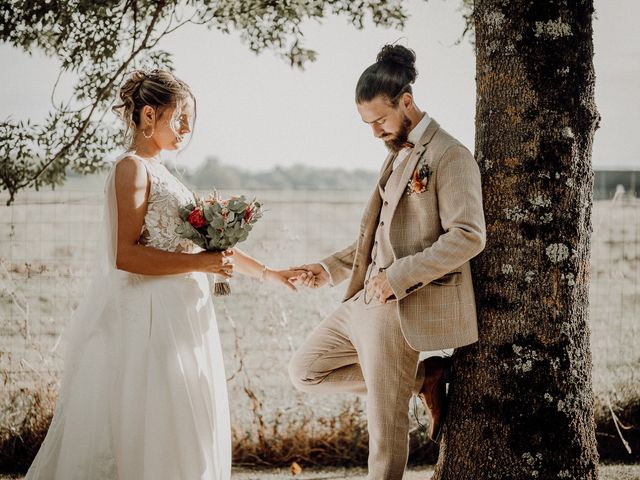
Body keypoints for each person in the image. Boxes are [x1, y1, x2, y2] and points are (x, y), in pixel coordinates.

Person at [25, 69, 299, 480]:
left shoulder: (164, 171)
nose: (187, 128)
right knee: (157, 421)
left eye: (189, 119)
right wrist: (199, 265)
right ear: (149, 115)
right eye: (179, 117)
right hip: (153, 319)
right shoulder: (132, 169)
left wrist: (271, 274)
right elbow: (126, 255)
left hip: (185, 315)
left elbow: (207, 244)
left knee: (184, 423)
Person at [289, 44, 486, 479]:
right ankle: (423, 379)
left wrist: (398, 278)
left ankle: (407, 386)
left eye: (380, 119)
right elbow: (378, 236)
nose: (375, 131)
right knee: (305, 370)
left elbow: (469, 236)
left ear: (407, 102)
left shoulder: (449, 156)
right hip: (364, 299)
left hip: (399, 304)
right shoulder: (397, 152)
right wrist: (327, 268)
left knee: (384, 426)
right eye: (367, 123)